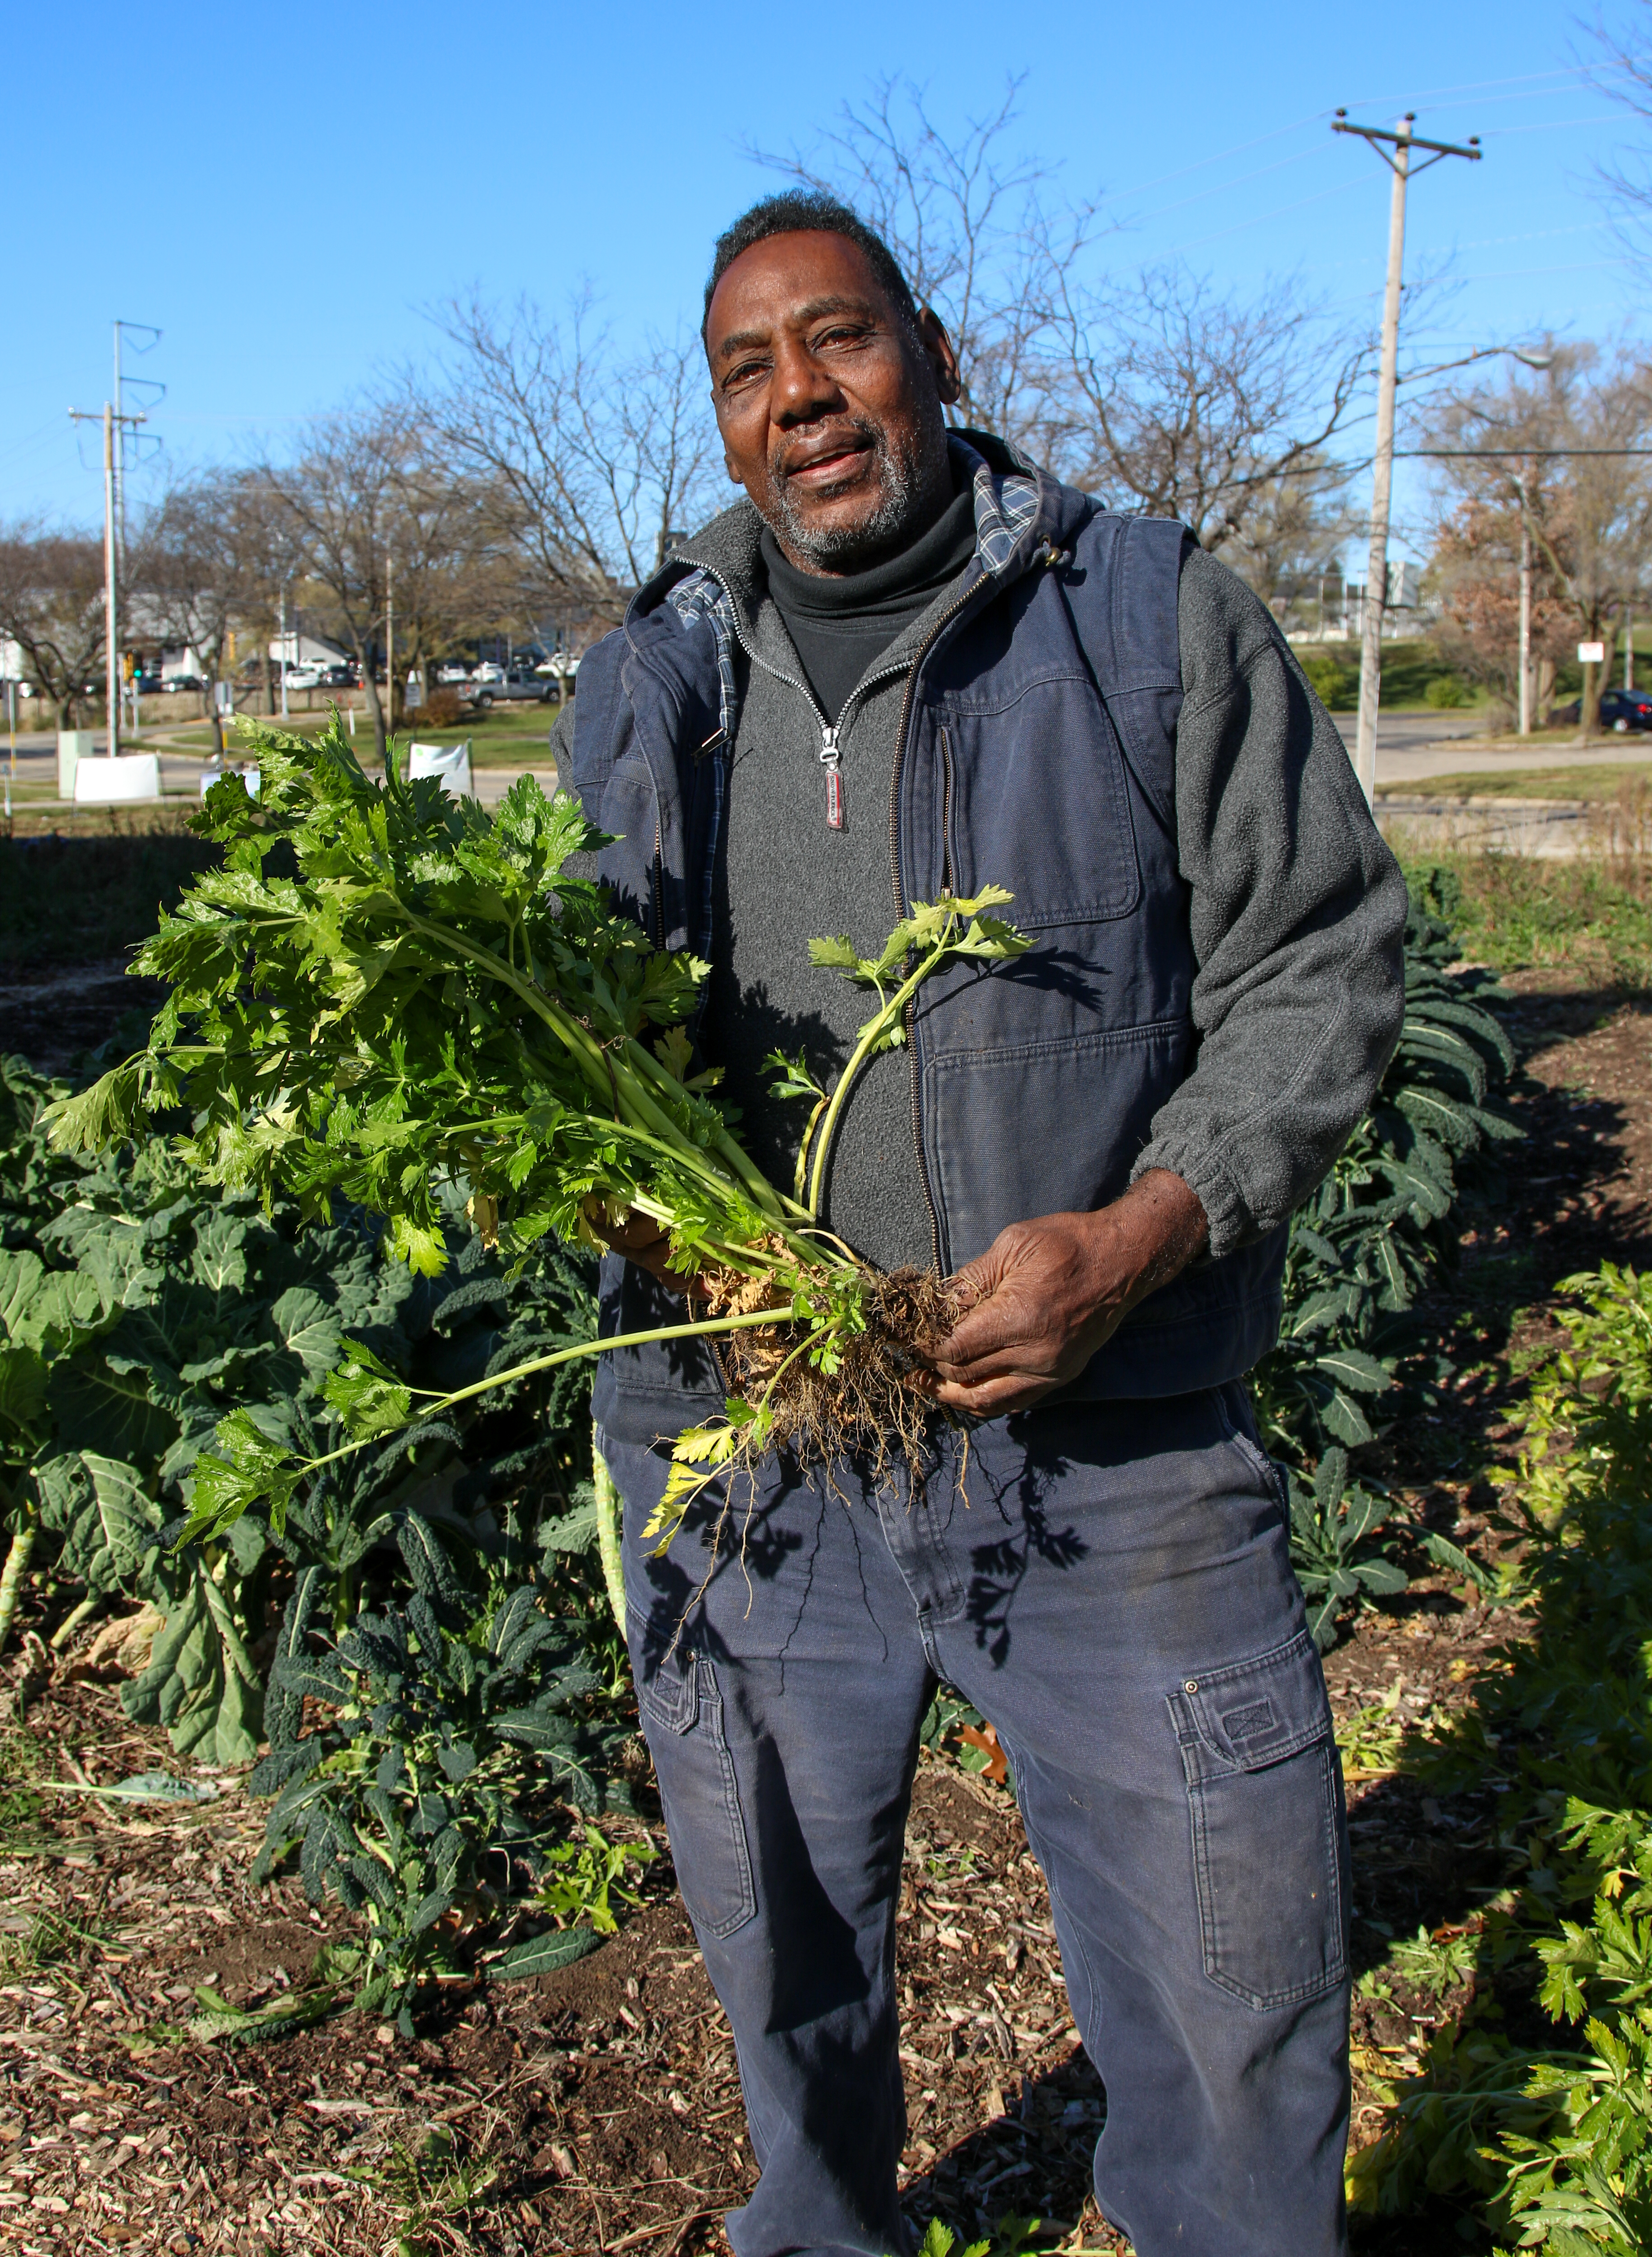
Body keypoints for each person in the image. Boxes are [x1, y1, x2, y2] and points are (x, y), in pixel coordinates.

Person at [551, 190, 1406, 2257]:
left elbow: (1324, 961)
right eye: (747, 371)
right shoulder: (651, 678)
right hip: (757, 1454)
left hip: (1113, 1446)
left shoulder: (1144, 614)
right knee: (782, 1959)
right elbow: (566, 1048)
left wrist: (1136, 1239)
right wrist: (631, 1212)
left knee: (1234, 1990)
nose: (801, 401)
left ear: (931, 348)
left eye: (836, 341)